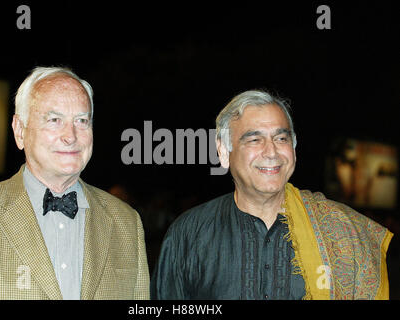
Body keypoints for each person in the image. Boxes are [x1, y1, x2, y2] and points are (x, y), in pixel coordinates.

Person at [151, 90, 393, 300]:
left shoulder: (342, 230)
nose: (271, 151)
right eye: (255, 139)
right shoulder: (189, 234)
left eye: (281, 138)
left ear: (294, 152)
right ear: (224, 152)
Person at [0, 66, 149, 299]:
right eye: (55, 120)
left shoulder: (127, 223)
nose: (71, 136)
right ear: (19, 131)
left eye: (82, 120)